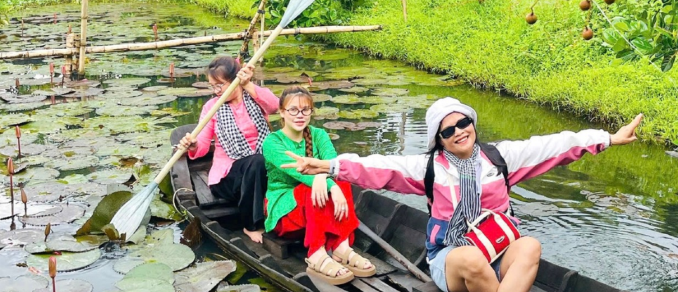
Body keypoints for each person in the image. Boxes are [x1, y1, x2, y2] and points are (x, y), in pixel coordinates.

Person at [283, 97, 642, 292]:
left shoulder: (501, 158)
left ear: (472, 123)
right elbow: (377, 167)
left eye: (462, 123)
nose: (458, 132)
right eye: (448, 130)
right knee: (470, 260)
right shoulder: (427, 169)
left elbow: (555, 145)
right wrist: (330, 167)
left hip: (499, 250)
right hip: (452, 259)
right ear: (438, 140)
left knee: (530, 246)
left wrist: (608, 138)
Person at [263, 86, 375, 285]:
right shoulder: (272, 142)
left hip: (315, 207)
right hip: (285, 213)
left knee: (342, 180)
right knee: (313, 187)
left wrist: (327, 180)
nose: (300, 115)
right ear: (281, 112)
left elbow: (333, 165)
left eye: (305, 110)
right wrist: (328, 184)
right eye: (293, 110)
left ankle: (341, 247)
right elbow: (298, 172)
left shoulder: (319, 135)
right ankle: (315, 252)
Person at [177, 55, 278, 243]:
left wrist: (247, 84)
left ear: (235, 81)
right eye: (212, 86)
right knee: (256, 161)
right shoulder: (211, 108)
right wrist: (193, 145)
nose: (216, 91)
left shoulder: (254, 97)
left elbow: (275, 106)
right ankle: (251, 225)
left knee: (266, 161)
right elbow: (202, 144)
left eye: (220, 85)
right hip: (227, 179)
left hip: (264, 170)